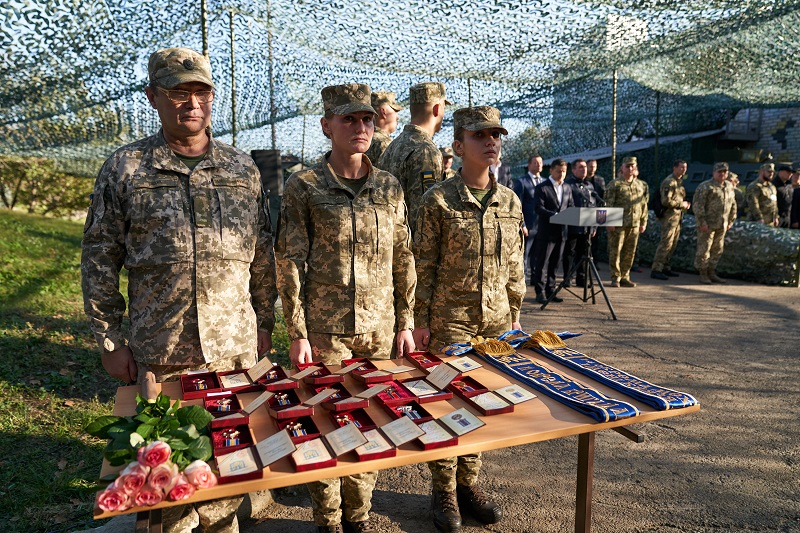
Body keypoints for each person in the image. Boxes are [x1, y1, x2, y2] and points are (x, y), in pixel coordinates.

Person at [81, 47, 277, 533]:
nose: (191, 102)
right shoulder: (126, 168)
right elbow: (99, 257)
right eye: (177, 92)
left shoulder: (241, 170)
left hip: (232, 352)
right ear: (153, 97)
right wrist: (110, 340)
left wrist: (264, 328)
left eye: (200, 91)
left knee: (227, 474)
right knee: (167, 486)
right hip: (162, 352)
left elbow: (263, 255)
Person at [274, 83, 416, 533]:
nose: (360, 127)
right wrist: (296, 330)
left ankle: (358, 515)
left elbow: (404, 255)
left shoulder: (389, 187)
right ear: (326, 126)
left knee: (369, 421)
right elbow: (289, 260)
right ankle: (327, 519)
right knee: (323, 421)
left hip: (377, 331)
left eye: (368, 119)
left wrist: (406, 321)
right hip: (325, 331)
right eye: (349, 119)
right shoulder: (306, 186)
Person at [413, 106, 523, 533]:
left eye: (496, 134)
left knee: (483, 403)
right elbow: (422, 265)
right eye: (480, 135)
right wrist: (420, 320)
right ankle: (442, 491)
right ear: (459, 146)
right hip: (450, 321)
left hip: (495, 323)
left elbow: (515, 265)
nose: (491, 141)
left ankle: (467, 485)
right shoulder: (437, 200)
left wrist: (515, 316)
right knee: (446, 405)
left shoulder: (509, 201)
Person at [379, 81, 449, 232]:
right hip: (414, 250)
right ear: (437, 109)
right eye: (444, 107)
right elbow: (425, 215)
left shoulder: (393, 146)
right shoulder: (426, 151)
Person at [532, 158, 574, 303]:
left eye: (564, 172)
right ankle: (540, 291)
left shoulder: (567, 187)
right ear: (551, 170)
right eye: (558, 171)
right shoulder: (542, 187)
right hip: (546, 232)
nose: (561, 175)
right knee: (542, 263)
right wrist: (555, 216)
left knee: (555, 263)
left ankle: (551, 290)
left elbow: (571, 206)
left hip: (561, 232)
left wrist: (570, 216)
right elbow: (538, 208)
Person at [605, 156, 648, 287]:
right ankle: (615, 277)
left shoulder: (640, 185)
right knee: (616, 250)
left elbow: (643, 204)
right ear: (622, 168)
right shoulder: (615, 184)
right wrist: (609, 222)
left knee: (630, 252)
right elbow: (608, 204)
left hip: (634, 224)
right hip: (618, 224)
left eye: (632, 166)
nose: (630, 169)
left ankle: (625, 276)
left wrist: (643, 222)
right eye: (627, 166)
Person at [693, 162, 737, 284]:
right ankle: (703, 273)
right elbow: (698, 206)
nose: (722, 174)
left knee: (717, 249)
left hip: (722, 224)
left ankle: (712, 272)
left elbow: (733, 204)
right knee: (704, 249)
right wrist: (702, 222)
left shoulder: (729, 186)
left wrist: (731, 220)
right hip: (708, 224)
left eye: (725, 172)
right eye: (720, 172)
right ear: (714, 173)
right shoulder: (705, 187)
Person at [651, 160, 691, 280]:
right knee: (666, 243)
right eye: (681, 167)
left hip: (677, 217)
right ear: (674, 168)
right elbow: (666, 201)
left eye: (685, 168)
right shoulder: (670, 182)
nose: (684, 170)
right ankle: (656, 269)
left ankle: (665, 267)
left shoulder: (679, 183)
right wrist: (681, 204)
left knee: (672, 244)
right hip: (669, 217)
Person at [562, 159, 596, 287]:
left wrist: (594, 226)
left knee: (584, 253)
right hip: (572, 225)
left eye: (585, 167)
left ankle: (582, 279)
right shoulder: (568, 185)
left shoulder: (589, 185)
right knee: (570, 253)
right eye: (580, 167)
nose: (584, 169)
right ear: (574, 170)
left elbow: (594, 206)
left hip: (587, 227)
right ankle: (567, 278)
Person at [512, 154, 545, 283]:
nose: (539, 165)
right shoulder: (521, 182)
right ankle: (523, 279)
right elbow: (517, 204)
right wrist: (523, 225)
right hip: (528, 226)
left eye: (540, 163)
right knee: (524, 255)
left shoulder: (544, 182)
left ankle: (535, 279)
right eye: (536, 163)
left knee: (538, 255)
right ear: (529, 165)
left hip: (541, 225)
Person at [364, 90, 403, 164]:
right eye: (395, 110)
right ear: (383, 112)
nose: (397, 117)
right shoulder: (384, 143)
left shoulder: (362, 139)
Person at [586, 159, 606, 260]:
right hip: (585, 212)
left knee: (596, 237)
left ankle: (594, 260)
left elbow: (603, 196)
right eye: (591, 166)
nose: (593, 168)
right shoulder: (583, 180)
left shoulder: (599, 180)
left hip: (597, 211)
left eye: (594, 166)